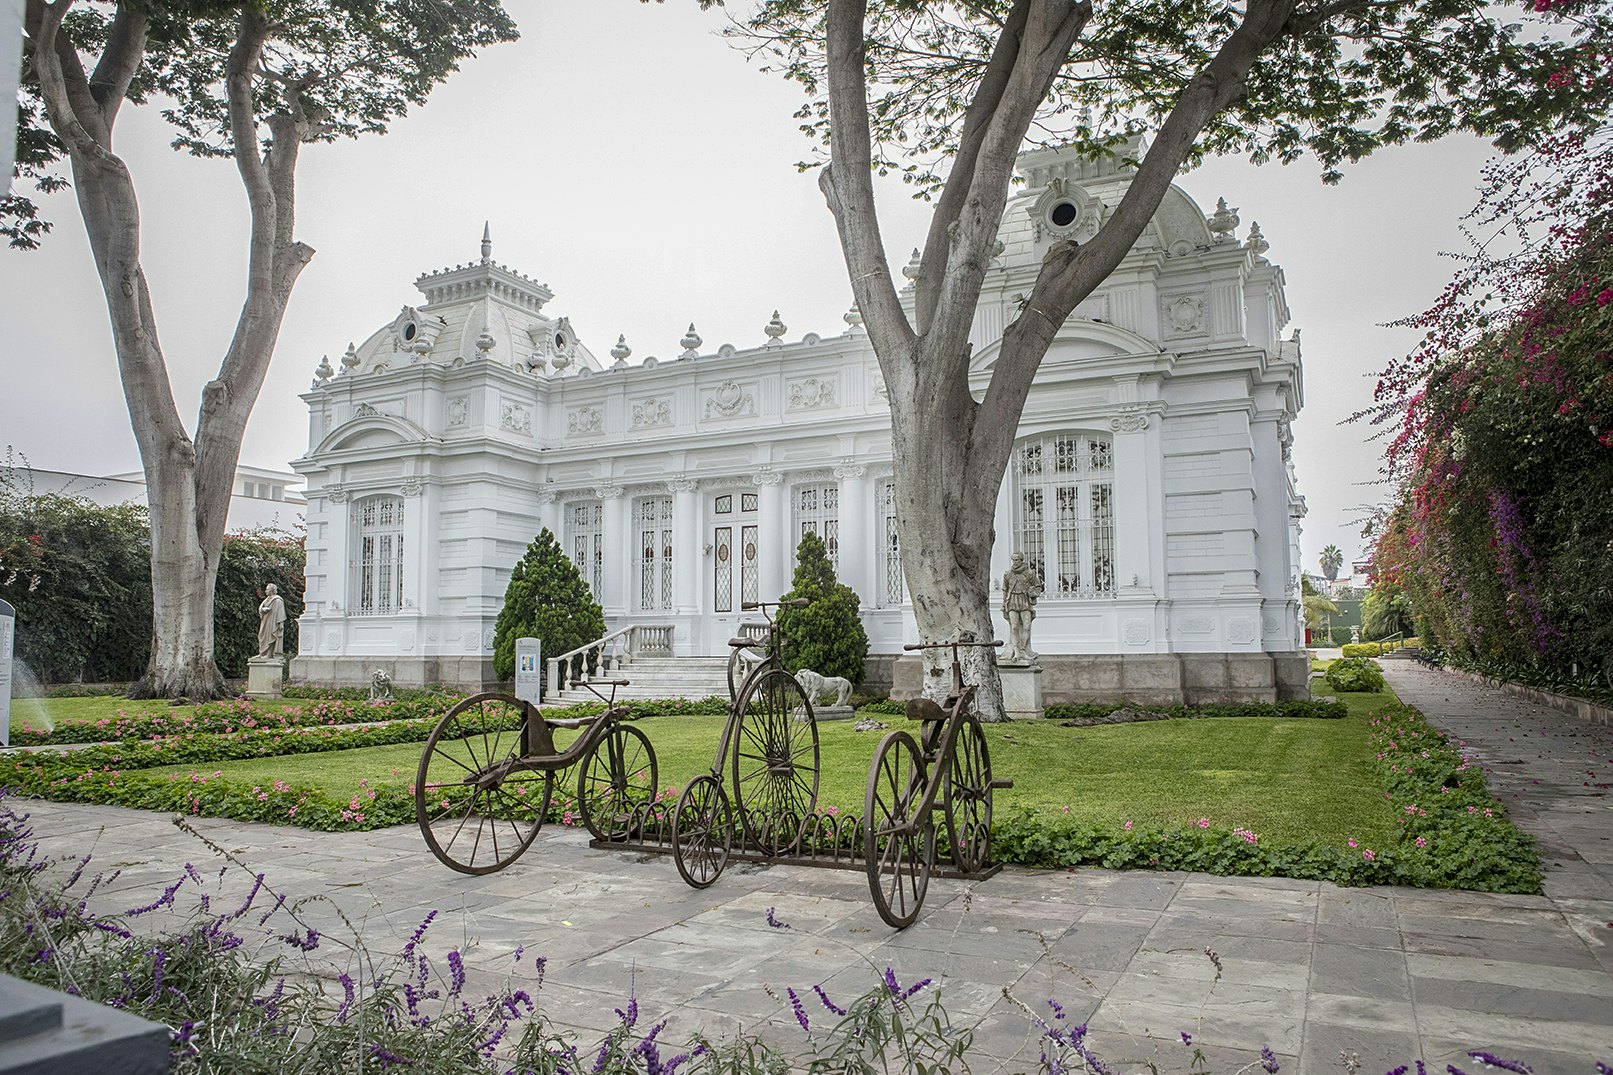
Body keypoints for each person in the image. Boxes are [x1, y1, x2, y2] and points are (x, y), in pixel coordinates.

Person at [1001, 553, 1042, 662]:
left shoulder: (1029, 573)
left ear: (1021, 560)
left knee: (1026, 626)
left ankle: (1023, 649)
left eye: (1017, 560)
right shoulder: (1008, 574)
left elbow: (1038, 587)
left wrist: (1033, 593)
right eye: (1013, 560)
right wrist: (1003, 603)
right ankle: (1016, 651)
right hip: (1012, 601)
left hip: (1025, 601)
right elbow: (1005, 589)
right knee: (1014, 626)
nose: (1015, 562)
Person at [257, 583, 286, 658]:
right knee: (262, 636)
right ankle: (262, 653)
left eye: (267, 589)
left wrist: (280, 623)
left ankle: (269, 654)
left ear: (272, 590)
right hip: (265, 621)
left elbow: (281, 612)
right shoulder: (266, 599)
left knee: (271, 636)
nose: (265, 591)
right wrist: (263, 609)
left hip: (272, 622)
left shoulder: (278, 600)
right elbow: (260, 608)